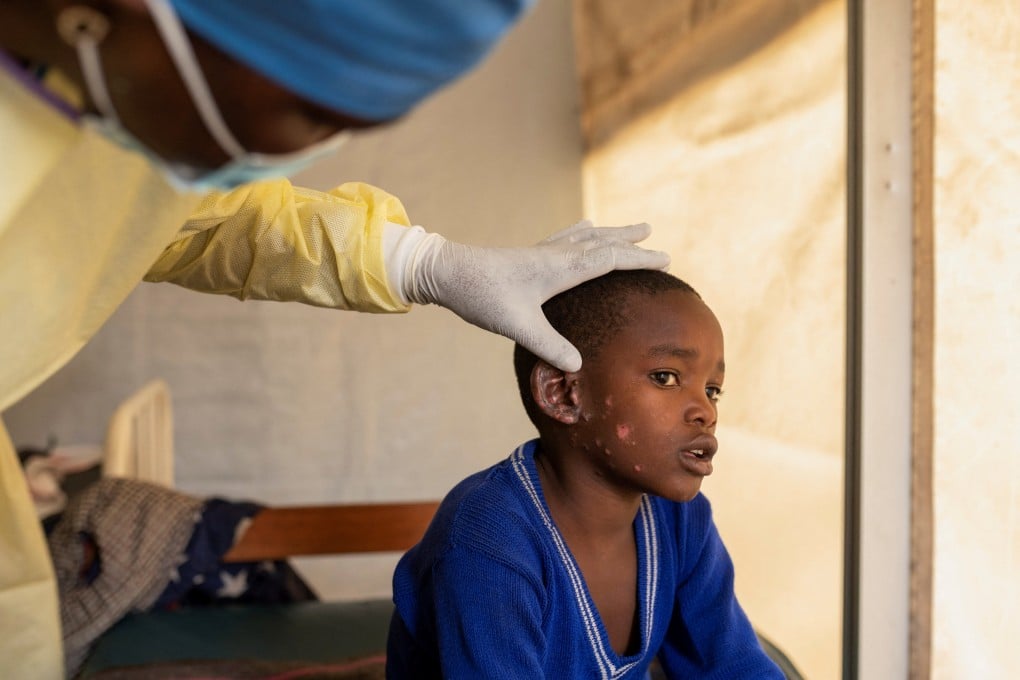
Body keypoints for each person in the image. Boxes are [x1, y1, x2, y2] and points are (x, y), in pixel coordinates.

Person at [0, 1, 670, 676]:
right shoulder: (491, 534)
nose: (302, 154)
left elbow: (211, 221)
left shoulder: (672, 523)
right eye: (318, 115)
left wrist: (419, 263)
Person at [387, 270, 783, 678]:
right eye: (666, 377)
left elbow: (735, 666)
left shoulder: (682, 520)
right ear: (562, 393)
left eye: (713, 389)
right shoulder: (487, 540)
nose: (707, 411)